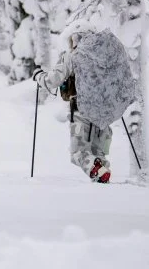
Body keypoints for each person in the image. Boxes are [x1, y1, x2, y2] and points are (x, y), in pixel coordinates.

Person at [33, 30, 112, 183]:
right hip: (104, 110)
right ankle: (102, 178)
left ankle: (99, 174)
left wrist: (38, 76)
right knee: (97, 152)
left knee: (79, 153)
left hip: (82, 109)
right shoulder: (104, 57)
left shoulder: (73, 56)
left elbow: (53, 80)